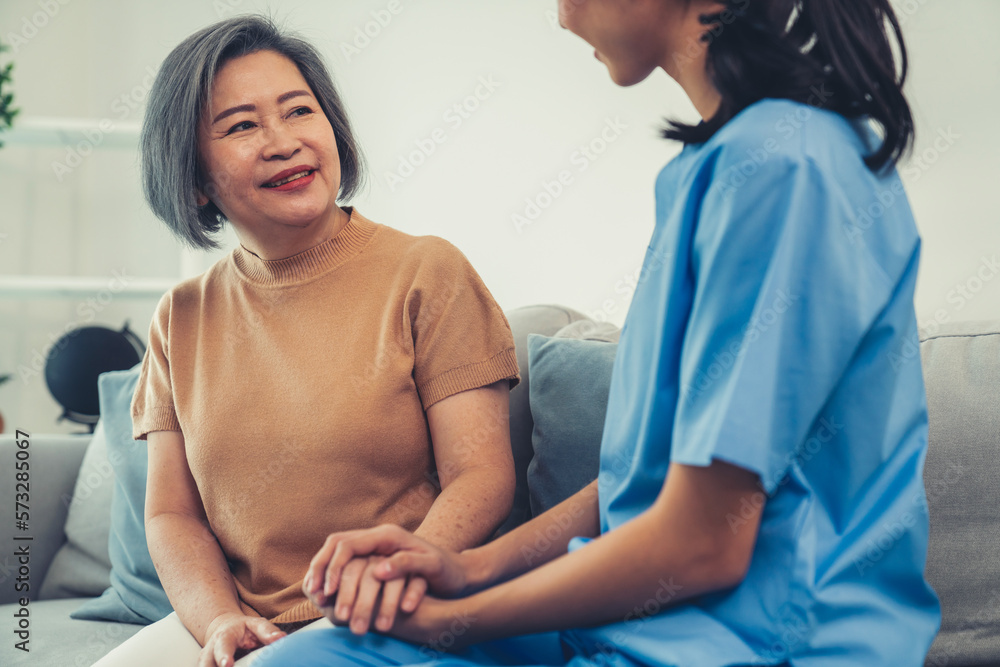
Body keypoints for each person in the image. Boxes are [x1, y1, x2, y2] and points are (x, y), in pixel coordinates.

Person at [251, 0, 943, 665]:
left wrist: (453, 618)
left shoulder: (784, 169)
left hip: (760, 644)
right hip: (652, 628)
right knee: (318, 651)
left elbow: (705, 540)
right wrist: (465, 567)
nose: (563, 14)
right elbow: (643, 479)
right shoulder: (715, 169)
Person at [92, 15, 521, 667]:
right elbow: (172, 517)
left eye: (299, 111)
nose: (282, 140)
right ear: (195, 177)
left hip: (393, 608)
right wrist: (220, 621)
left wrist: (391, 580)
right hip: (242, 618)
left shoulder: (427, 272)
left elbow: (481, 475)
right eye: (241, 125)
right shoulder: (180, 315)